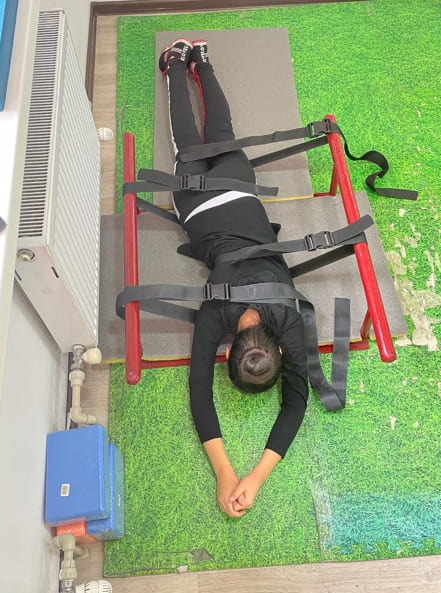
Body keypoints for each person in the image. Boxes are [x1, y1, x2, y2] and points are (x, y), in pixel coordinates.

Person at [159, 38, 308, 517]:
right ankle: (176, 63)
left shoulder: (287, 320)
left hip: (240, 188)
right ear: (227, 351)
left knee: (222, 132)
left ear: (276, 349)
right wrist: (231, 473)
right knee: (188, 141)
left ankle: (202, 59)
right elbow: (199, 392)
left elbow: (296, 400)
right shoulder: (215, 313)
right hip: (197, 202)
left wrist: (249, 476)